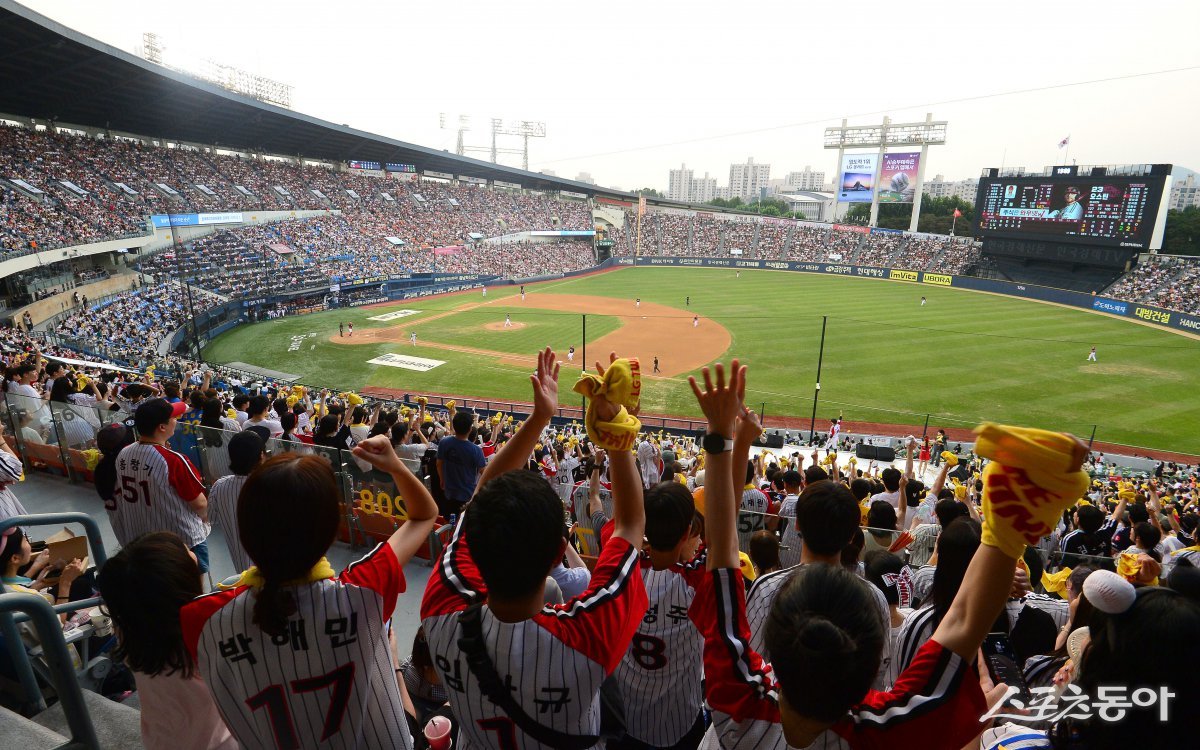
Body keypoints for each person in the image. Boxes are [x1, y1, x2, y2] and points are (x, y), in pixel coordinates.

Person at [694, 366, 1091, 749]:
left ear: (772, 652)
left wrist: (720, 436)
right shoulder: (889, 731)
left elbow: (722, 555)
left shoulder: (737, 699)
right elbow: (963, 620)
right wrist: (1006, 530)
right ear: (872, 669)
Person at [420, 348, 649, 749]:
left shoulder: (439, 611)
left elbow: (482, 495)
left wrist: (540, 418)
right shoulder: (588, 638)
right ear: (557, 553)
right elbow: (630, 525)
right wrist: (614, 427)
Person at [182, 434, 438, 749]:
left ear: (245, 532)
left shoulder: (202, 617)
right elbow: (425, 514)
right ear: (331, 530)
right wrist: (395, 466)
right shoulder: (365, 589)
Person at [94, 532, 237, 750]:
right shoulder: (206, 634)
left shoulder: (130, 631)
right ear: (181, 580)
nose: (194, 555)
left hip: (162, 741)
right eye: (187, 552)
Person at [611, 481, 708, 750]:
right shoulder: (697, 580)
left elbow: (621, 521)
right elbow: (724, 538)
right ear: (689, 532)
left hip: (625, 716)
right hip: (679, 722)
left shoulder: (622, 571)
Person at [109, 399, 211, 574]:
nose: (176, 421)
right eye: (173, 418)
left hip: (142, 539)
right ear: (162, 427)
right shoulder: (173, 460)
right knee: (190, 591)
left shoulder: (124, 453)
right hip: (181, 541)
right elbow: (200, 505)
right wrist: (207, 519)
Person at [207, 432, 266, 573]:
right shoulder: (274, 484)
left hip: (242, 569)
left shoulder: (219, 486)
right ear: (261, 456)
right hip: (277, 567)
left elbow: (212, 518)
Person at [436, 410, 485, 517]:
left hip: (449, 492)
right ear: (470, 429)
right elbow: (484, 472)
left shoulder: (444, 442)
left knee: (449, 519)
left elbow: (439, 463)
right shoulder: (476, 450)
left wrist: (442, 479)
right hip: (467, 494)